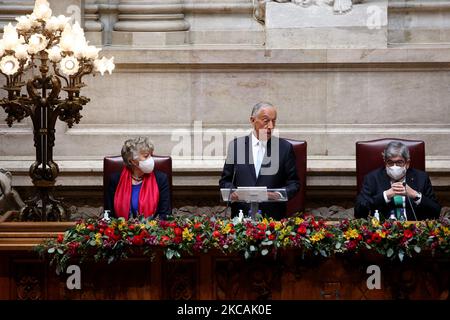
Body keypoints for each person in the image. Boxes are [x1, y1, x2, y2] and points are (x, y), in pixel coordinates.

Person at [219, 102, 300, 220]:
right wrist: (233, 192)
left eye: (274, 121)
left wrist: (277, 195)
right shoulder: (236, 146)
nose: (271, 126)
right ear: (252, 120)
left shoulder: (284, 148)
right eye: (266, 121)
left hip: (273, 221)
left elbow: (294, 183)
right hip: (241, 219)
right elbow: (225, 181)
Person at [354, 141, 441, 220]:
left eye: (399, 162)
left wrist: (415, 195)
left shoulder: (421, 178)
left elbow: (436, 211)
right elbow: (359, 212)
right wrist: (385, 195)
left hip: (414, 230)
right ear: (385, 163)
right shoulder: (372, 178)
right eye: (390, 162)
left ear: (407, 163)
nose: (394, 166)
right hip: (382, 231)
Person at [105, 137, 171, 219]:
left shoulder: (161, 179)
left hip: (153, 229)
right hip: (121, 229)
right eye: (146, 156)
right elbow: (108, 213)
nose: (151, 159)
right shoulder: (115, 180)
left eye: (151, 155)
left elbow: (165, 214)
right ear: (132, 160)